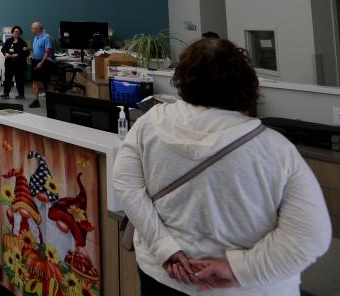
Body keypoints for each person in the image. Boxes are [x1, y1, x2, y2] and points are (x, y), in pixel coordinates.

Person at [113, 38, 330, 295]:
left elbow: (127, 186)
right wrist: (238, 269)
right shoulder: (276, 150)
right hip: (247, 288)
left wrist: (164, 247)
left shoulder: (148, 124)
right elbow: (309, 237)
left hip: (163, 276)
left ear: (182, 78)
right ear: (246, 83)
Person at [27, 21, 53, 108]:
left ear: (37, 29)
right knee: (35, 81)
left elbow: (47, 51)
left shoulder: (47, 37)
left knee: (47, 82)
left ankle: (51, 102)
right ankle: (36, 101)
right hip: (35, 61)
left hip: (44, 62)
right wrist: (29, 49)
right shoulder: (36, 37)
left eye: (33, 28)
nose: (32, 30)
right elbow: (37, 48)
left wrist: (42, 62)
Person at [0, 25, 29, 99]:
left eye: (18, 32)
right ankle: (6, 93)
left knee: (19, 80)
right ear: (12, 33)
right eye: (15, 31)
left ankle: (21, 95)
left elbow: (26, 53)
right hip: (9, 64)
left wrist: (17, 55)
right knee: (7, 79)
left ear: (20, 33)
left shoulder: (23, 42)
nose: (16, 33)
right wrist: (5, 53)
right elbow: (3, 49)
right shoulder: (8, 41)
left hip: (19, 64)